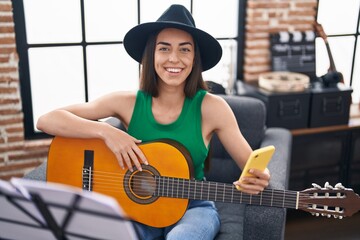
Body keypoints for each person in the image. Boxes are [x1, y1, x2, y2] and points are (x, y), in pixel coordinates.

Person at [37, 4, 270, 240]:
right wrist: (106, 131)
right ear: (151, 55)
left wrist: (259, 177)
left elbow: (253, 166)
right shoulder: (126, 102)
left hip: (193, 208)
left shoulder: (213, 107)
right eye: (164, 48)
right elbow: (47, 120)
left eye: (185, 50)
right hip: (134, 210)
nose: (174, 59)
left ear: (194, 58)